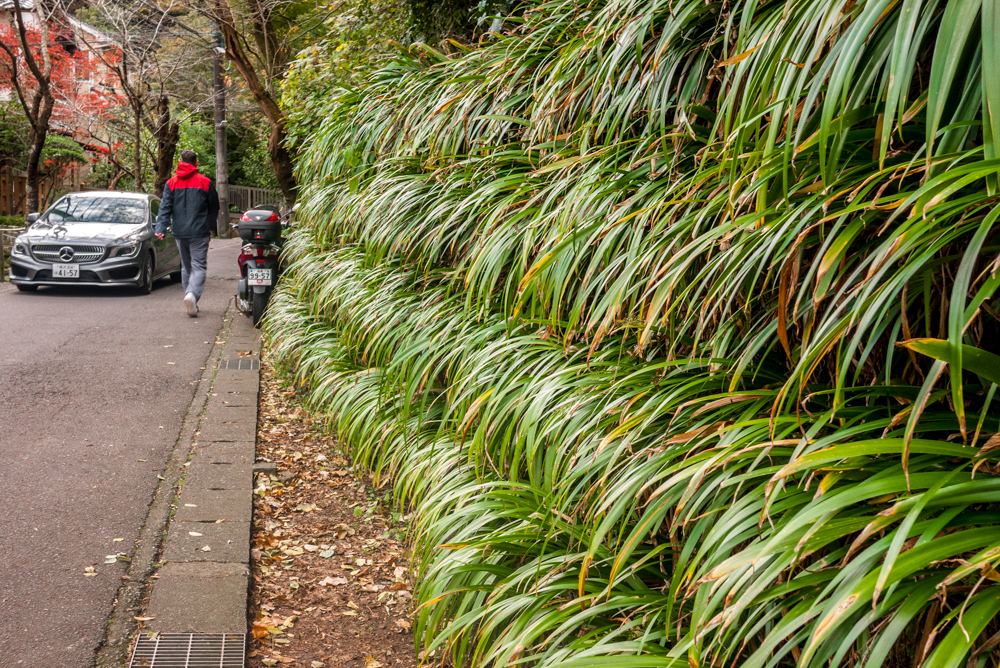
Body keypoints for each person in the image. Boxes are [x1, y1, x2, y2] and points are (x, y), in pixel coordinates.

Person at [155, 150, 220, 317]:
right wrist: (211, 226)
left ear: (180, 162)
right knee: (198, 266)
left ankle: (189, 298)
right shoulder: (205, 182)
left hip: (179, 231)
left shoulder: (171, 183)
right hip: (199, 231)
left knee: (186, 265)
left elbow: (164, 207)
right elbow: (214, 207)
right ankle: (192, 295)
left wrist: (161, 228)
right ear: (196, 163)